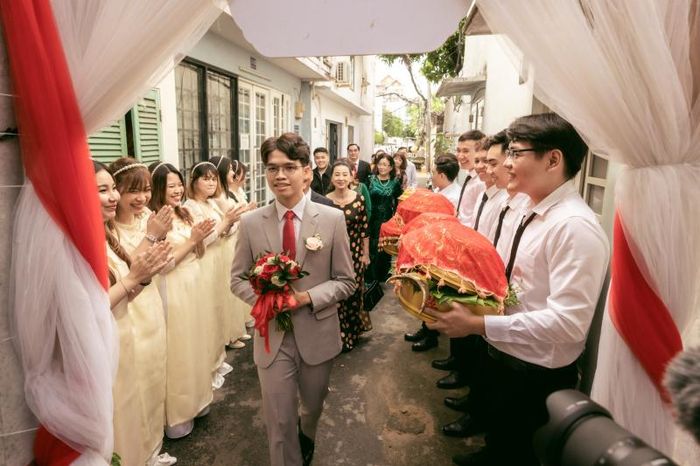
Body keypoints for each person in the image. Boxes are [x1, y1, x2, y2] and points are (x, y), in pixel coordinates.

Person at [426, 113, 610, 466]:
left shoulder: (574, 227)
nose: (506, 164)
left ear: (553, 160)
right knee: (501, 434)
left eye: (515, 153)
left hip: (534, 370)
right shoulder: (525, 207)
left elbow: (569, 324)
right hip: (503, 351)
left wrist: (479, 324)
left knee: (520, 449)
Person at [230, 133, 355, 466]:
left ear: (307, 172)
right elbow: (237, 279)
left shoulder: (332, 219)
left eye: (289, 167)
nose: (280, 175)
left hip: (318, 332)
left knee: (311, 408)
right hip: (272, 338)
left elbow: (346, 282)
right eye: (272, 168)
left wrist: (306, 297)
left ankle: (307, 433)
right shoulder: (250, 223)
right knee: (279, 421)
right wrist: (265, 301)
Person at [95, 161, 173, 466]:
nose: (140, 198)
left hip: (145, 305)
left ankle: (150, 449)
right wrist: (151, 238)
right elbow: (130, 271)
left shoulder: (144, 220)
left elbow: (143, 271)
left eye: (146, 190)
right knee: (131, 395)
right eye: (132, 190)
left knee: (152, 379)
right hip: (127, 319)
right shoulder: (108, 230)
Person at [148, 161, 217, 439]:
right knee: (179, 347)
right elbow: (164, 265)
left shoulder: (184, 212)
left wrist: (199, 239)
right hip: (173, 288)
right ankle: (178, 414)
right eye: (170, 186)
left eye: (179, 185)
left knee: (197, 342)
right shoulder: (155, 220)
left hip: (194, 282)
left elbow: (198, 251)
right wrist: (192, 240)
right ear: (158, 189)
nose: (177, 190)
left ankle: (198, 399)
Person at [325, 159, 372, 352]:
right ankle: (339, 336)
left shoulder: (359, 199)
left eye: (345, 174)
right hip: (331, 255)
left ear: (352, 176)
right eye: (337, 174)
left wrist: (365, 255)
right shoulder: (325, 201)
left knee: (353, 293)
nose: (341, 178)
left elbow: (364, 229)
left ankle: (353, 332)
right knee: (336, 296)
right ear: (332, 178)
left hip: (355, 253)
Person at [211, 156, 255, 349]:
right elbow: (226, 226)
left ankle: (237, 327)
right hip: (226, 244)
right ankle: (230, 333)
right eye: (230, 169)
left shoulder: (227, 194)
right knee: (229, 287)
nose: (233, 173)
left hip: (234, 242)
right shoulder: (219, 198)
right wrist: (243, 216)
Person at [366, 153, 403, 283]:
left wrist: (397, 217)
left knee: (384, 247)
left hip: (387, 219)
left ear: (391, 167)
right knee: (371, 246)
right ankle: (370, 276)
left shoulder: (395, 182)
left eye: (385, 165)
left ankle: (382, 275)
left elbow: (399, 201)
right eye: (380, 164)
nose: (382, 167)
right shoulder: (370, 180)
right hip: (371, 219)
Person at [454, 130, 486, 227]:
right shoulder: (470, 176)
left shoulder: (481, 182)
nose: (460, 156)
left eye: (466, 151)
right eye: (458, 150)